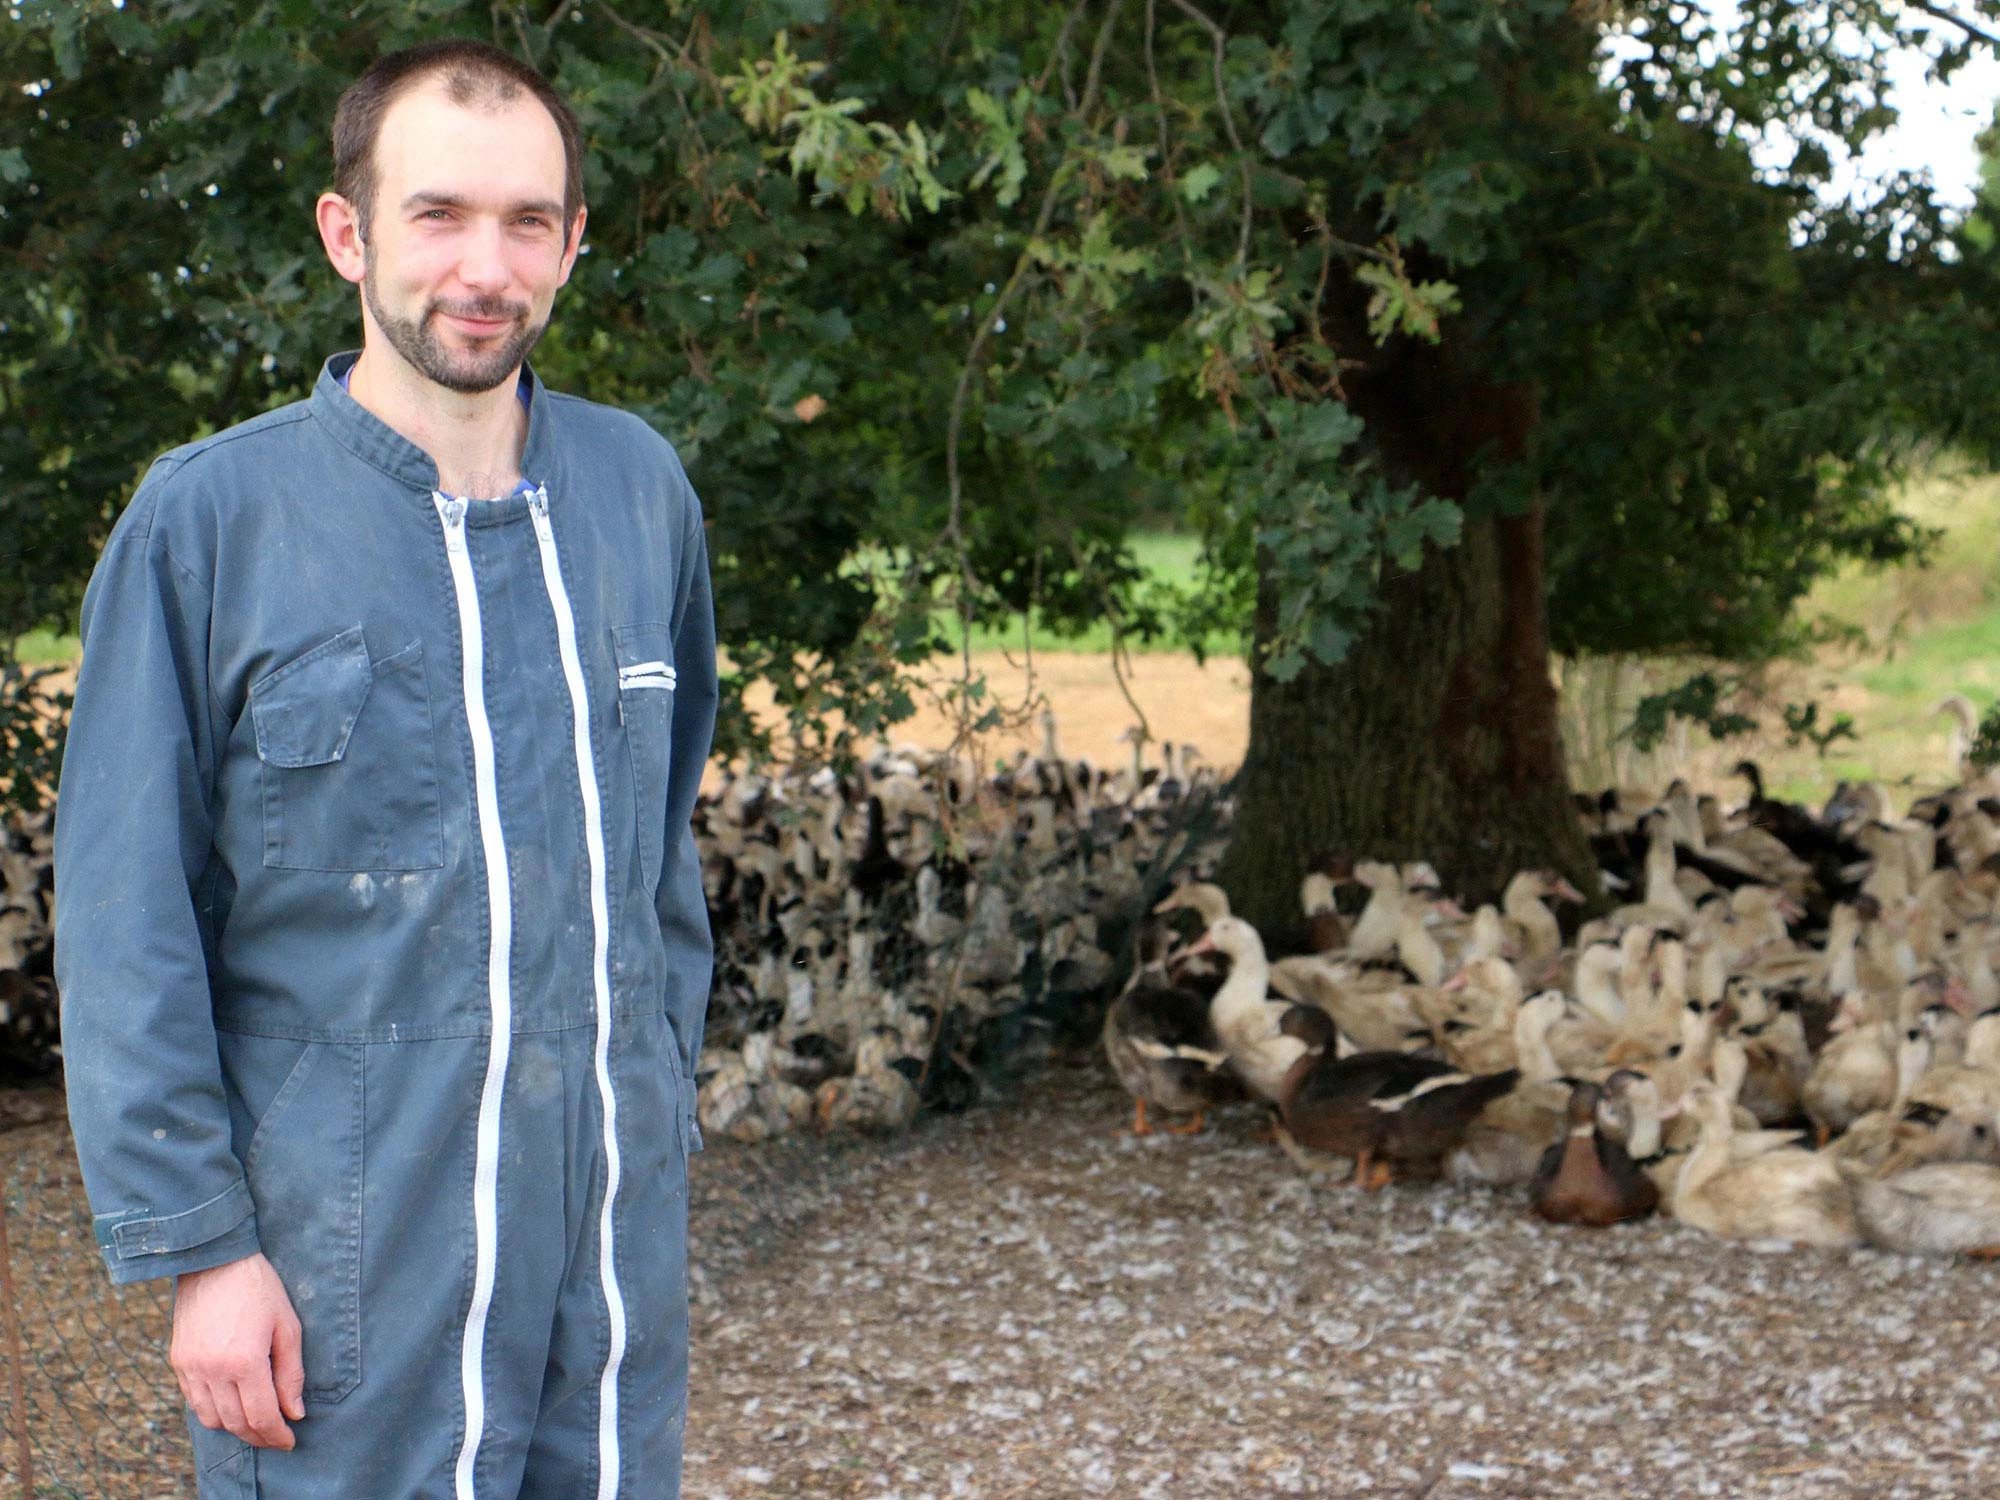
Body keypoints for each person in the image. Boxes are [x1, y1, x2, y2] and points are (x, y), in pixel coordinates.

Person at [55, 38, 717, 1499]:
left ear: (573, 242)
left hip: (605, 1259)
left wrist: (655, 1093)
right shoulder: (211, 523)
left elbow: (658, 847)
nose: (486, 266)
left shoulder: (637, 495)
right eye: (439, 215)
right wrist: (204, 1250)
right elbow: (123, 925)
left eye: (527, 221)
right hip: (342, 1259)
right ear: (347, 232)